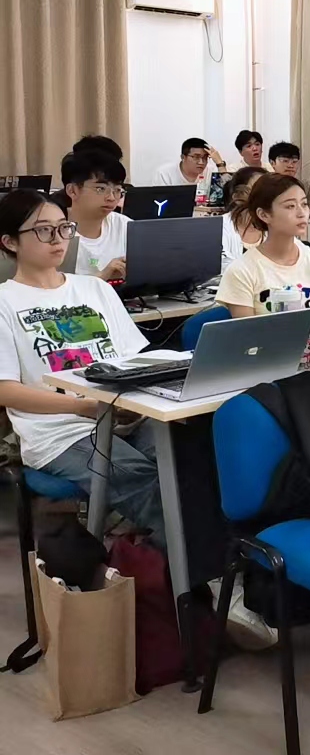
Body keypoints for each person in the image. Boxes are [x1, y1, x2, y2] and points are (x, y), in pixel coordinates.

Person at [0, 190, 165, 548]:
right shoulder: (5, 302)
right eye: (43, 230)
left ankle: (176, 560)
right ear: (10, 242)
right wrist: (84, 407)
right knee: (141, 478)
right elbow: (5, 389)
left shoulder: (94, 289)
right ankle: (207, 571)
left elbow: (134, 360)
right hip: (60, 431)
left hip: (127, 414)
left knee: (191, 460)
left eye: (64, 228)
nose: (58, 239)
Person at [215, 174, 310, 318]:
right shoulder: (241, 271)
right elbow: (247, 330)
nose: (301, 213)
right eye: (290, 206)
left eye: (304, 204)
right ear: (264, 215)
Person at [62, 150, 129, 283]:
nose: (111, 198)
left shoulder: (124, 225)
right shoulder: (55, 233)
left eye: (117, 190)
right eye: (100, 189)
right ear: (72, 191)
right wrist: (103, 276)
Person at [220, 166, 266, 274]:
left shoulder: (276, 225)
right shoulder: (219, 227)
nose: (266, 196)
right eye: (258, 190)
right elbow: (220, 268)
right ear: (236, 197)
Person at [153, 137, 227, 201]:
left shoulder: (211, 171)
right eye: (196, 157)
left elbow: (227, 194)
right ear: (183, 157)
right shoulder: (165, 173)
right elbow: (160, 200)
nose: (201, 162)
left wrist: (220, 163)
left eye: (205, 158)